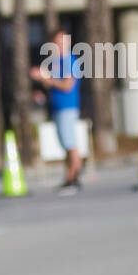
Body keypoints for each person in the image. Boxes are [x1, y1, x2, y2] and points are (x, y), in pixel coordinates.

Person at [31, 29, 84, 193]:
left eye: (63, 41)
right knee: (65, 145)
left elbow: (67, 85)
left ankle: (74, 178)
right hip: (57, 107)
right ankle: (69, 177)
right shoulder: (57, 61)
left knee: (70, 144)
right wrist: (41, 82)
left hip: (68, 107)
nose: (60, 44)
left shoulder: (69, 60)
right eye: (57, 41)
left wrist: (47, 79)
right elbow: (51, 84)